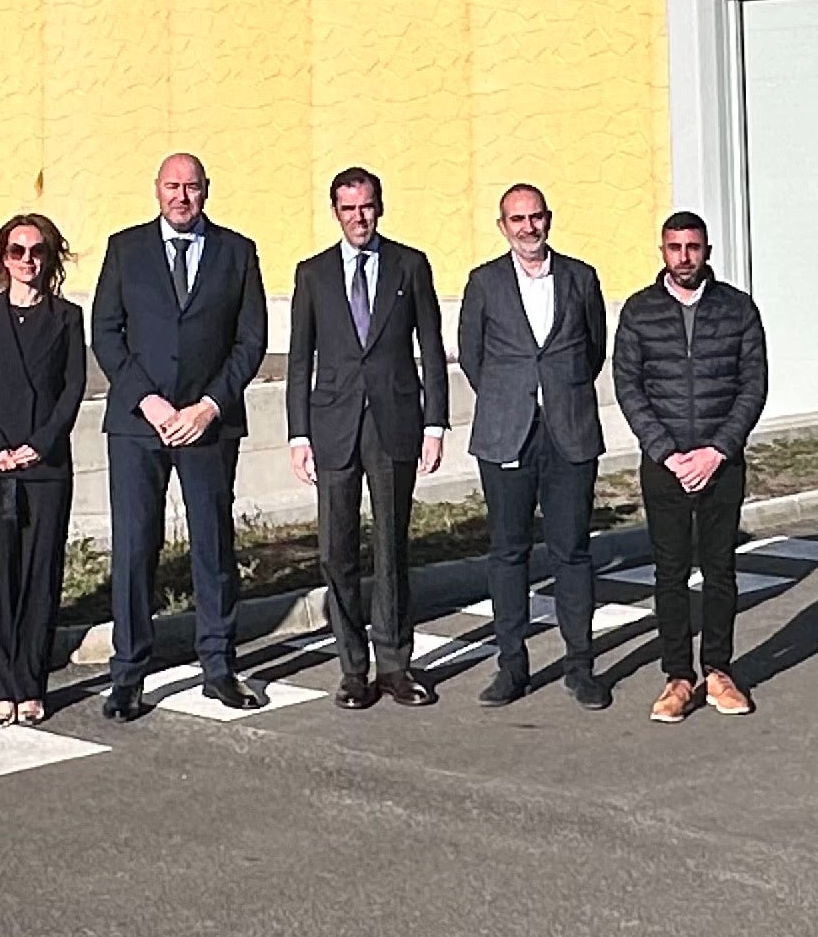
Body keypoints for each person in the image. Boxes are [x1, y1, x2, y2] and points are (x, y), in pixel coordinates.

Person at [87, 152, 269, 719]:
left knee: (213, 547)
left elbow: (251, 339)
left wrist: (209, 406)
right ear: (157, 190)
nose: (182, 197)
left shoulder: (238, 252)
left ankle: (218, 666)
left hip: (208, 425)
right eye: (173, 186)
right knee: (136, 547)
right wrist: (151, 401)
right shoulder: (126, 248)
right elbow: (106, 333)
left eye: (192, 187)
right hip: (140, 424)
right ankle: (129, 675)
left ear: (207, 190)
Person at [284, 166, 450, 709]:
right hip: (333, 426)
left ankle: (396, 664)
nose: (360, 217)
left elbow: (430, 344)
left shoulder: (409, 264)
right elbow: (299, 358)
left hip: (394, 423)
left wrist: (435, 423)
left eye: (368, 206)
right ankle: (353, 668)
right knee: (337, 551)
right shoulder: (313, 274)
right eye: (350, 208)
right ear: (335, 212)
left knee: (391, 548)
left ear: (380, 207)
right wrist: (298, 432)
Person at [610, 210, 770, 723]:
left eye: (693, 247)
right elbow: (628, 385)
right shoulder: (639, 311)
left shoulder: (738, 310)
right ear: (663, 251)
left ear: (707, 252)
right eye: (675, 247)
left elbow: (753, 385)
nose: (685, 257)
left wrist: (719, 449)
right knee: (671, 572)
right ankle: (678, 678)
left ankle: (719, 671)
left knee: (720, 569)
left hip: (721, 461)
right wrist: (666, 451)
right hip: (666, 463)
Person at [456, 183, 611, 709]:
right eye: (517, 219)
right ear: (503, 226)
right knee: (508, 553)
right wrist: (512, 399)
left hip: (569, 432)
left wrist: (556, 396)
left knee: (572, 551)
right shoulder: (484, 282)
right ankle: (512, 665)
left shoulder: (581, 278)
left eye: (536, 217)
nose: (528, 227)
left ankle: (580, 665)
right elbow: (473, 357)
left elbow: (593, 352)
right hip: (506, 430)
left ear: (549, 219)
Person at [0, 212, 87, 725]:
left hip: (45, 467)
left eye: (37, 251)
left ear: (50, 258)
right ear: (2, 257)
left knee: (39, 576)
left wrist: (38, 445)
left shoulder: (67, 318)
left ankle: (30, 684)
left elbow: (72, 389)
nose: (27, 261)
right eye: (17, 250)